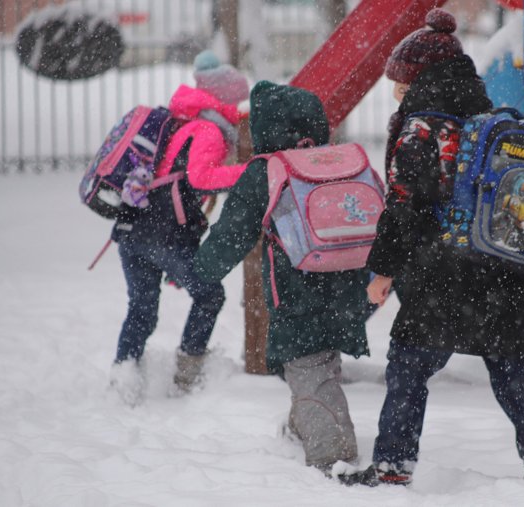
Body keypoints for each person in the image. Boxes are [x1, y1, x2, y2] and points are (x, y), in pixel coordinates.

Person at [366, 8, 524, 484]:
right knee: (517, 371)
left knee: (409, 369)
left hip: (440, 272)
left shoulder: (421, 129)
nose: (397, 89)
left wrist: (382, 271)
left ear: (418, 77)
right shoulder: (487, 119)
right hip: (498, 270)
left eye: (401, 81)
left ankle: (393, 466)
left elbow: (404, 205)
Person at [193, 81, 373, 482]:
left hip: (297, 290)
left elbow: (232, 232)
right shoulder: (336, 159)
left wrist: (200, 270)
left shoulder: (269, 169)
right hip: (347, 283)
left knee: (309, 363)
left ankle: (333, 456)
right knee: (322, 362)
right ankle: (300, 426)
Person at [109, 50, 251, 405]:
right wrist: (252, 171)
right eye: (238, 99)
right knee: (210, 295)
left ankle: (123, 377)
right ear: (226, 99)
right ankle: (186, 377)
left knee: (141, 310)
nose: (241, 107)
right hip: (165, 234)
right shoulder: (209, 128)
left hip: (133, 229)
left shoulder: (182, 120)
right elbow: (201, 179)